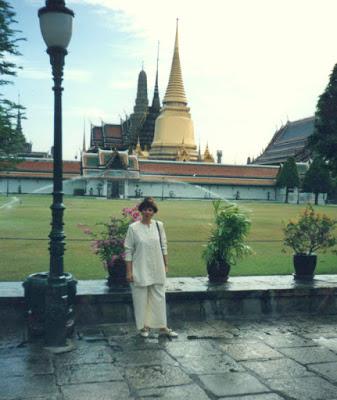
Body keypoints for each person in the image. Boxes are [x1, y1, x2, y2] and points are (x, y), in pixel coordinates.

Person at [124, 197, 178, 338]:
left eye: (150, 209)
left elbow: (164, 246)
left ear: (154, 212)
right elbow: (128, 250)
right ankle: (143, 327)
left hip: (157, 266)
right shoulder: (133, 228)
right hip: (140, 266)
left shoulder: (159, 226)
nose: (147, 212)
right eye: (145, 209)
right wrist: (129, 272)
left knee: (159, 296)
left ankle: (162, 327)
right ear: (140, 211)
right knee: (140, 297)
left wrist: (166, 265)